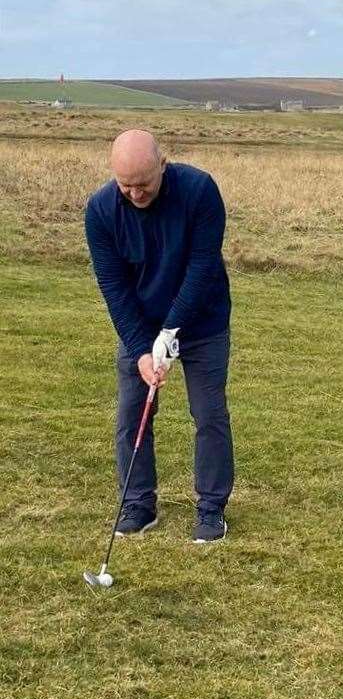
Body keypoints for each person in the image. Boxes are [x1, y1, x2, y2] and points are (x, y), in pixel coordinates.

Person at [84, 129, 234, 543]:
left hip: (203, 322)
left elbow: (202, 268)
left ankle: (211, 509)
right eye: (125, 185)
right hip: (141, 325)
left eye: (143, 184)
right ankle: (137, 503)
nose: (134, 193)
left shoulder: (199, 191)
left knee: (209, 414)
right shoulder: (100, 211)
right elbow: (114, 288)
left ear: (162, 166)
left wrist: (172, 331)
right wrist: (141, 349)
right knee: (133, 413)